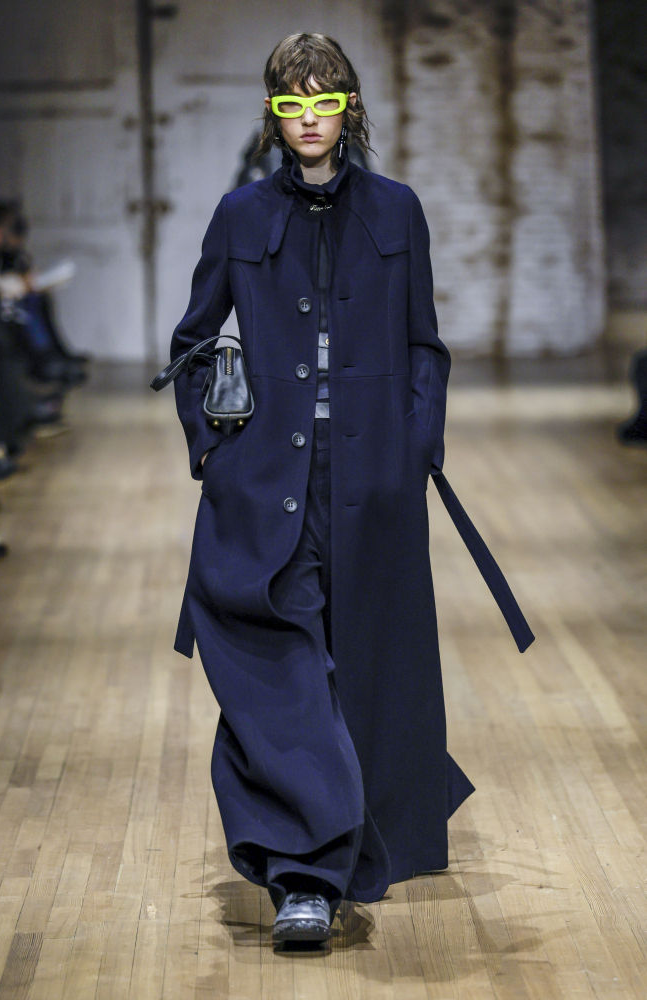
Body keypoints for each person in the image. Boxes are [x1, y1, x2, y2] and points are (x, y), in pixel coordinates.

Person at [167, 32, 534, 947]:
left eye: (322, 99)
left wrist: (416, 447)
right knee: (275, 666)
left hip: (374, 479)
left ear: (350, 107)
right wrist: (214, 449)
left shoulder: (397, 212)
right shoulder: (240, 216)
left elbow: (424, 344)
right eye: (289, 103)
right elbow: (190, 342)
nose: (307, 118)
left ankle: (350, 851)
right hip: (266, 481)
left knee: (367, 670)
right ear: (271, 112)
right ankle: (303, 879)